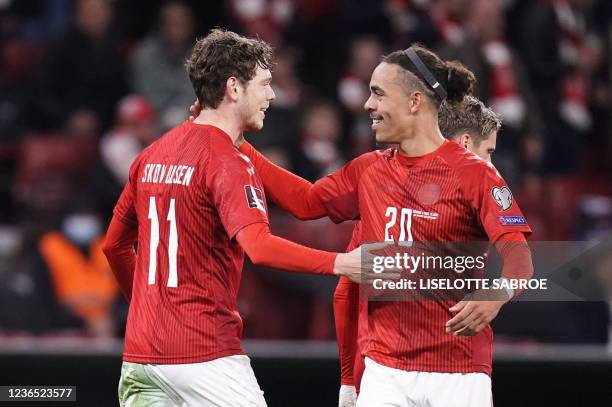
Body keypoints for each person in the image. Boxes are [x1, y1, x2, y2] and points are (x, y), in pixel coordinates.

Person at [220, 45, 533, 406]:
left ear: (414, 102)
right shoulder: (368, 169)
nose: (368, 104)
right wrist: (242, 146)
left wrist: (494, 295)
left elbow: (519, 256)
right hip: (385, 372)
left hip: (459, 372)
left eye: (378, 93)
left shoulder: (475, 174)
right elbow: (306, 203)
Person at [102, 29, 366, 407]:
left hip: (142, 357)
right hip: (205, 355)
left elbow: (114, 246)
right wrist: (340, 262)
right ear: (234, 88)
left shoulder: (151, 154)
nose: (271, 95)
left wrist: (148, 312)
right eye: (265, 84)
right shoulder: (227, 163)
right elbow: (258, 247)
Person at [334, 94, 503, 407]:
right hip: (429, 368)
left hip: (413, 369)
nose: (492, 164)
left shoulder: (384, 196)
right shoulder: (479, 188)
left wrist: (348, 379)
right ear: (466, 143)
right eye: (489, 151)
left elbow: (345, 292)